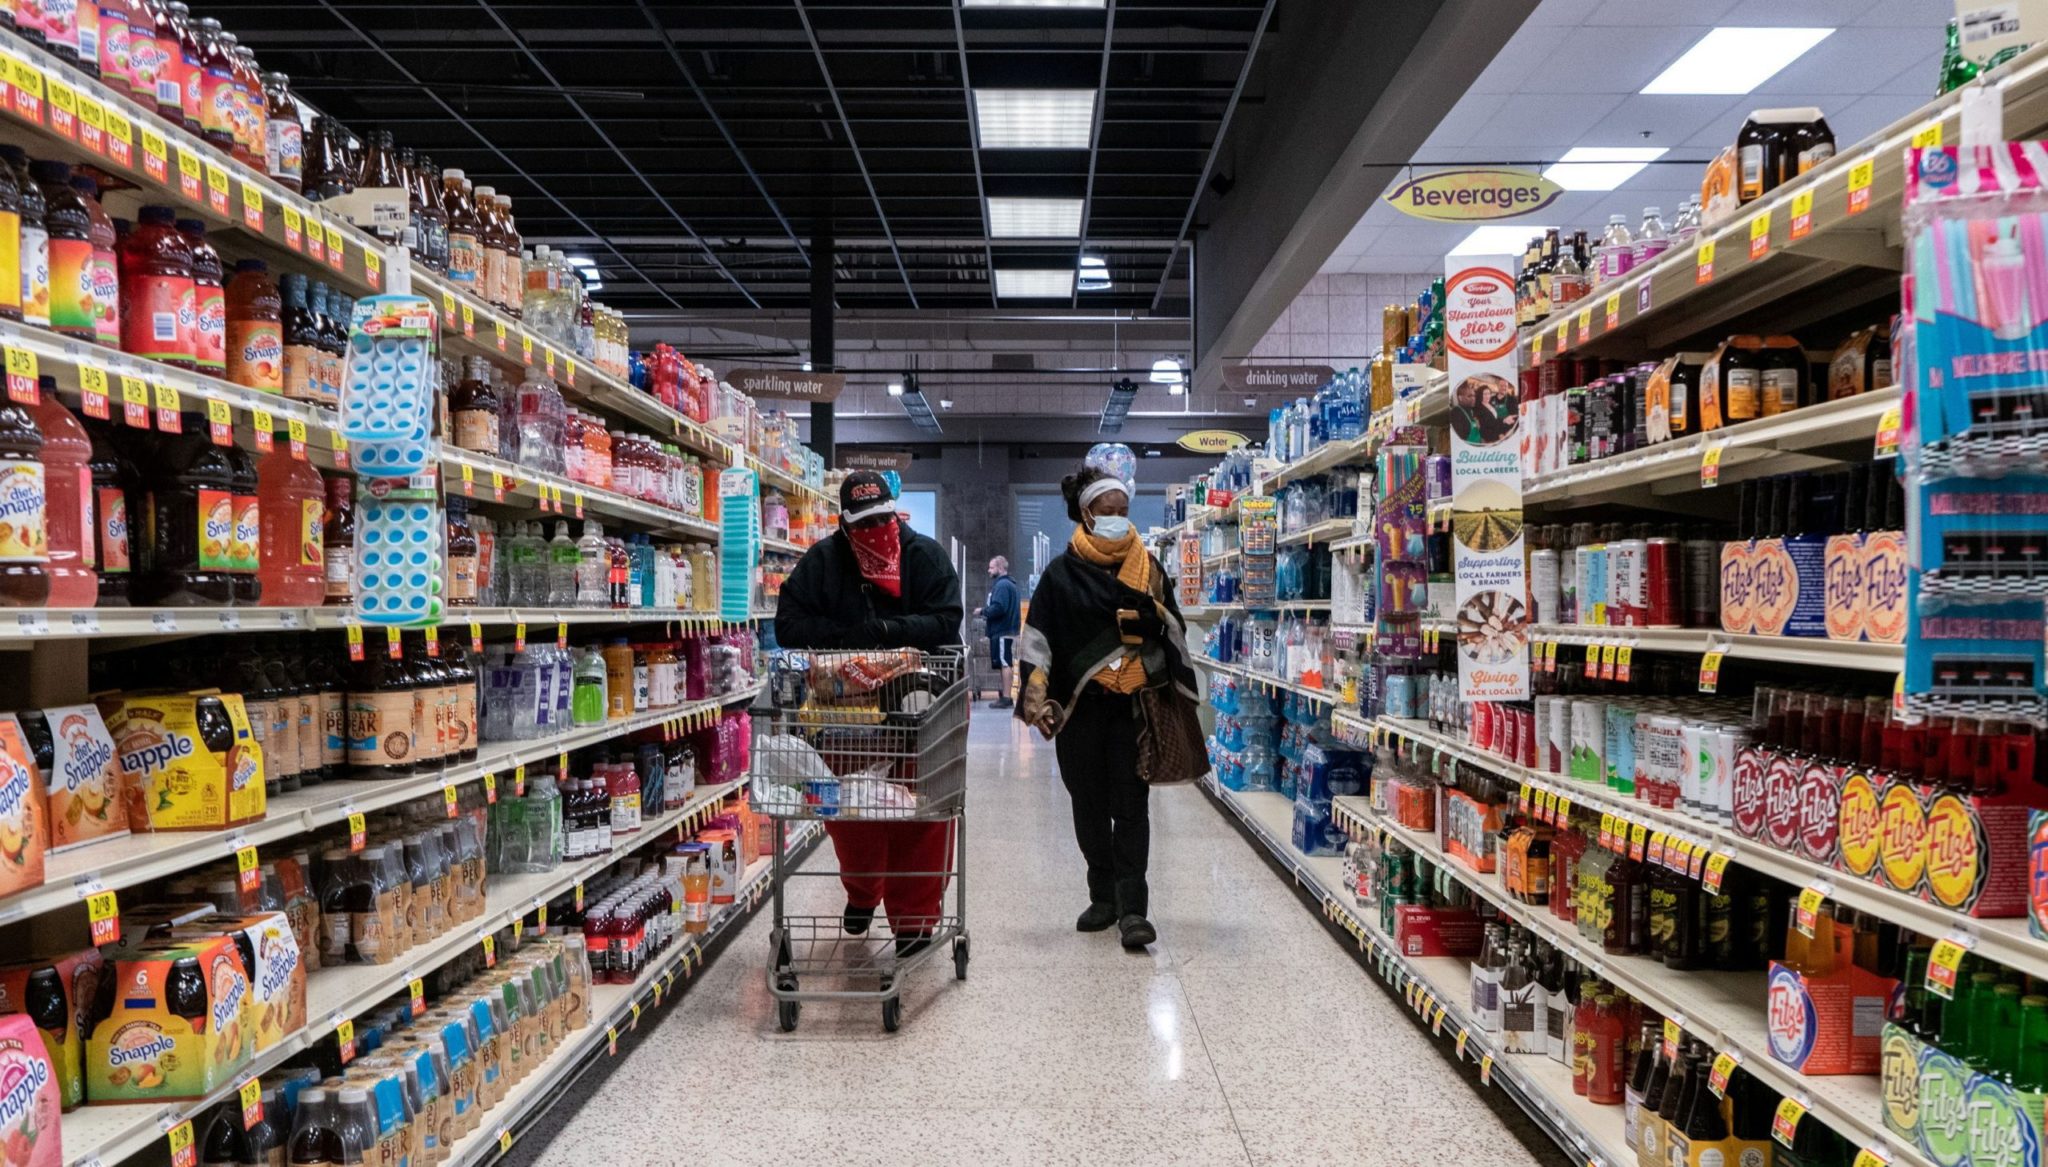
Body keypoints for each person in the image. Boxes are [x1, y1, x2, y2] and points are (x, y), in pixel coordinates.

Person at [776, 470, 964, 957]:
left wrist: (887, 630)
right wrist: (853, 637)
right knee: (850, 810)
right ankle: (864, 893)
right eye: (863, 524)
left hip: (922, 710)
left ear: (894, 511)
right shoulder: (823, 561)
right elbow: (788, 624)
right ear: (843, 523)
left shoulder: (925, 556)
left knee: (922, 811)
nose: (874, 530)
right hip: (846, 711)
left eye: (882, 518)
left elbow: (947, 619)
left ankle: (915, 923)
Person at [1016, 465, 1203, 949]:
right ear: (1086, 513)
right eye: (1108, 512)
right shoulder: (1060, 575)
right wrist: (1036, 694)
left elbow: (1175, 629)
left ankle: (1133, 908)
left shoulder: (1149, 568)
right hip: (1081, 710)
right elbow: (1038, 640)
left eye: (1124, 511)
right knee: (1088, 804)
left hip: (1133, 710)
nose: (1119, 519)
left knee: (1132, 805)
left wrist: (1155, 617)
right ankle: (1102, 895)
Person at [978, 556, 1021, 709]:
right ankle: (1005, 695)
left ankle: (1007, 697)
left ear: (1001, 568)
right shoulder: (1009, 584)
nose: (989, 570)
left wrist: (983, 611)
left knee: (1004, 662)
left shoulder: (1002, 585)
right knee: (1005, 661)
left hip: (1002, 630)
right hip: (1006, 629)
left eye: (991, 567)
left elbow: (999, 607)